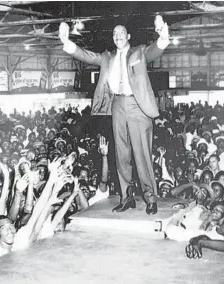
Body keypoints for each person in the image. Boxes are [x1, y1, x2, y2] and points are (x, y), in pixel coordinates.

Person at [59, 16, 170, 214]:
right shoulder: (106, 57)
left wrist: (162, 36)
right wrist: (67, 43)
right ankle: (126, 198)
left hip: (137, 105)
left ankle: (150, 197)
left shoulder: (139, 52)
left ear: (128, 36)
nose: (117, 36)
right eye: (114, 34)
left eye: (121, 33)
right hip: (117, 104)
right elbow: (86, 55)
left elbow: (155, 50)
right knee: (121, 154)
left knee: (142, 153)